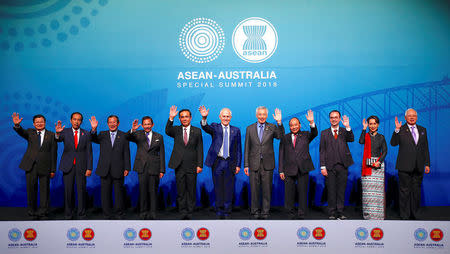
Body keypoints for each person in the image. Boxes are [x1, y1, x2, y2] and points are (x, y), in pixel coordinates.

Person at [199, 106, 242, 219]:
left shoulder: (236, 130)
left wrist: (238, 164)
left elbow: (238, 149)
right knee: (218, 187)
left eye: (228, 116)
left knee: (229, 187)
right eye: (224, 116)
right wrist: (204, 118)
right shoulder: (214, 127)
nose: (226, 118)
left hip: (230, 163)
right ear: (220, 117)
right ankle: (219, 209)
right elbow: (205, 127)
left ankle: (227, 210)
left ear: (231, 117)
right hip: (217, 162)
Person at [12, 113, 57, 220]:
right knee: (31, 188)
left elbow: (54, 153)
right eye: (37, 122)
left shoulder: (51, 135)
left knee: (44, 190)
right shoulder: (30, 132)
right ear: (33, 123)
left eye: (41, 122)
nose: (39, 124)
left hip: (45, 166)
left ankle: (43, 211)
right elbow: (21, 132)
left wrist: (53, 169)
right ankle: (32, 210)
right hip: (30, 166)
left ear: (45, 123)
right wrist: (17, 126)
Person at [244, 106, 284, 219]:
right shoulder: (250, 128)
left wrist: (279, 122)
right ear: (256, 115)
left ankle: (265, 212)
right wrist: (246, 164)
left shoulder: (272, 127)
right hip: (253, 164)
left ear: (267, 115)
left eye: (264, 114)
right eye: (260, 114)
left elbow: (280, 136)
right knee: (254, 190)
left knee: (267, 189)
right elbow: (247, 147)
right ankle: (255, 211)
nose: (262, 116)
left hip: (267, 164)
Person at [391, 108, 430, 220]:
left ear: (417, 117)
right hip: (404, 165)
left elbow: (425, 148)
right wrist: (397, 130)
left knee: (416, 191)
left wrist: (427, 164)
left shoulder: (423, 130)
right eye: (409, 115)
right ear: (405, 117)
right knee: (404, 191)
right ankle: (405, 215)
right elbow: (393, 143)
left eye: (414, 115)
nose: (412, 117)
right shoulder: (401, 129)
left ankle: (415, 214)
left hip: (419, 166)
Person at [89, 115, 131, 219]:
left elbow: (126, 152)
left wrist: (127, 168)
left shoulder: (124, 135)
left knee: (118, 193)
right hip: (104, 169)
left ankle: (119, 213)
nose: (112, 124)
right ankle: (106, 214)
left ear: (118, 123)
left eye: (114, 122)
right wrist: (94, 129)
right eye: (110, 122)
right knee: (105, 193)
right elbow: (93, 138)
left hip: (119, 168)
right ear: (107, 124)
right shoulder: (102, 134)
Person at [165, 106, 203, 220]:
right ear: (179, 119)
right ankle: (182, 210)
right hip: (179, 164)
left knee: (191, 189)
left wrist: (199, 164)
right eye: (182, 117)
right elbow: (167, 130)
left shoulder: (197, 131)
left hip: (192, 165)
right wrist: (171, 118)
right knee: (181, 189)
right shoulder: (175, 130)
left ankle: (190, 210)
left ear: (190, 118)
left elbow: (199, 148)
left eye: (186, 117)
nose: (184, 119)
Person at [279, 110, 317, 219]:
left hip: (303, 168)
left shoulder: (306, 135)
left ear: (299, 125)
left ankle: (302, 214)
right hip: (288, 169)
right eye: (291, 125)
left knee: (303, 193)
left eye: (296, 125)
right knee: (289, 194)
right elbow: (281, 153)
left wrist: (312, 123)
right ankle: (290, 213)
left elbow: (314, 133)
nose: (294, 127)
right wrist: (281, 170)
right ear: (289, 127)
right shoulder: (285, 138)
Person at [55, 112, 93, 219]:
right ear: (71, 120)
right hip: (68, 166)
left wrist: (89, 167)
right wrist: (57, 133)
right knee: (68, 191)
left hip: (82, 166)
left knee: (81, 191)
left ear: (81, 121)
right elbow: (57, 139)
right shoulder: (64, 132)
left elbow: (89, 152)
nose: (77, 122)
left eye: (79, 120)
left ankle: (81, 213)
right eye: (75, 119)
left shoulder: (86, 133)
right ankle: (68, 213)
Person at [319, 110, 354, 220]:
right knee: (331, 190)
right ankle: (332, 212)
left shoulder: (344, 131)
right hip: (329, 166)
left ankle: (340, 211)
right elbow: (322, 151)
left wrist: (348, 127)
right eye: (332, 117)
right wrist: (322, 166)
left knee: (341, 190)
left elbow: (351, 139)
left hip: (343, 165)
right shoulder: (324, 133)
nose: (334, 119)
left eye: (336, 117)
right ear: (330, 119)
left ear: (339, 119)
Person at [129, 116, 165, 220]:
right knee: (143, 191)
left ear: (152, 125)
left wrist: (162, 170)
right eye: (145, 124)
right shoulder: (138, 135)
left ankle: (153, 212)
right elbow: (128, 137)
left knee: (153, 191)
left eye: (149, 124)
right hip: (142, 167)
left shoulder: (159, 136)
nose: (147, 126)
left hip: (154, 167)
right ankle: (143, 212)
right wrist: (133, 130)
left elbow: (161, 154)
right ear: (143, 125)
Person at [359, 115, 387, 220]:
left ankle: (378, 215)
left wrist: (379, 162)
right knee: (368, 193)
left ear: (378, 124)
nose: (372, 126)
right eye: (370, 124)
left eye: (374, 123)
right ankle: (368, 215)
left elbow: (384, 151)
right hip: (367, 166)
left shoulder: (381, 137)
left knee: (378, 192)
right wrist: (363, 128)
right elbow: (361, 141)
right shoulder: (366, 136)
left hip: (378, 166)